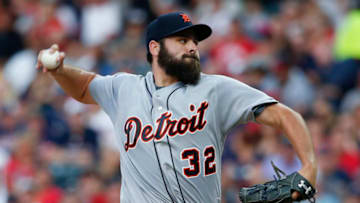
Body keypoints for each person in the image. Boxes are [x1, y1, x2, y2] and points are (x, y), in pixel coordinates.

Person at [36, 12, 317, 203]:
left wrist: (309, 165)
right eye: (182, 40)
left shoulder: (216, 89)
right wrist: (60, 70)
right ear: (155, 48)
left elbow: (284, 115)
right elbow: (85, 86)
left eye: (194, 41)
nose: (192, 47)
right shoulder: (124, 89)